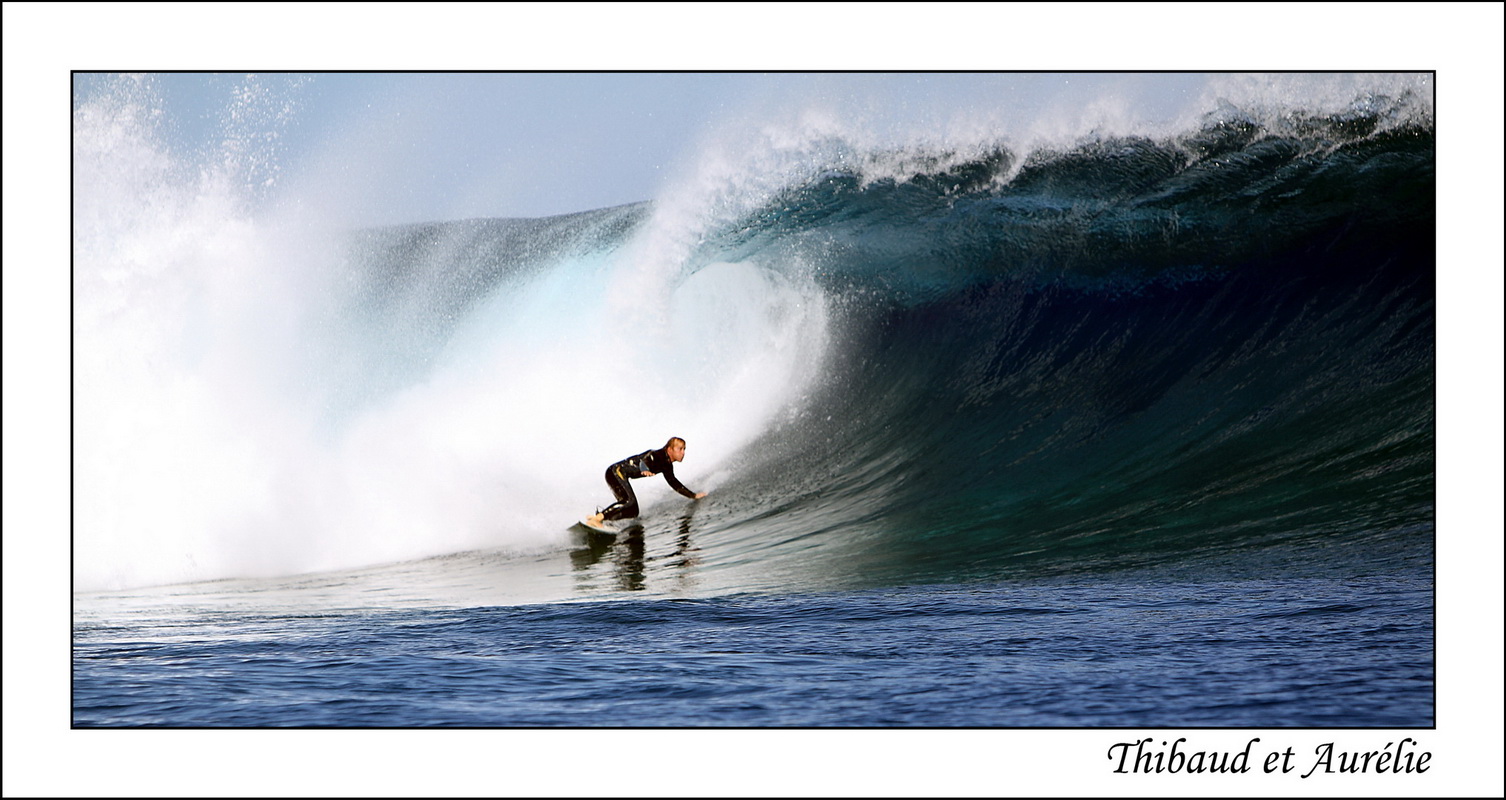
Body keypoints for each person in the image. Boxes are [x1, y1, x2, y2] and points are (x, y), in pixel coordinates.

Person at [587, 437, 706, 526]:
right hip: (616, 471)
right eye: (680, 449)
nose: (683, 452)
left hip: (617, 474)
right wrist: (644, 469)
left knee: (633, 511)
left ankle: (602, 520)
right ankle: (597, 518)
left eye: (684, 449)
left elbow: (674, 483)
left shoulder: (667, 465)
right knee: (629, 501)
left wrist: (693, 496)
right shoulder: (658, 454)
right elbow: (646, 459)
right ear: (670, 449)